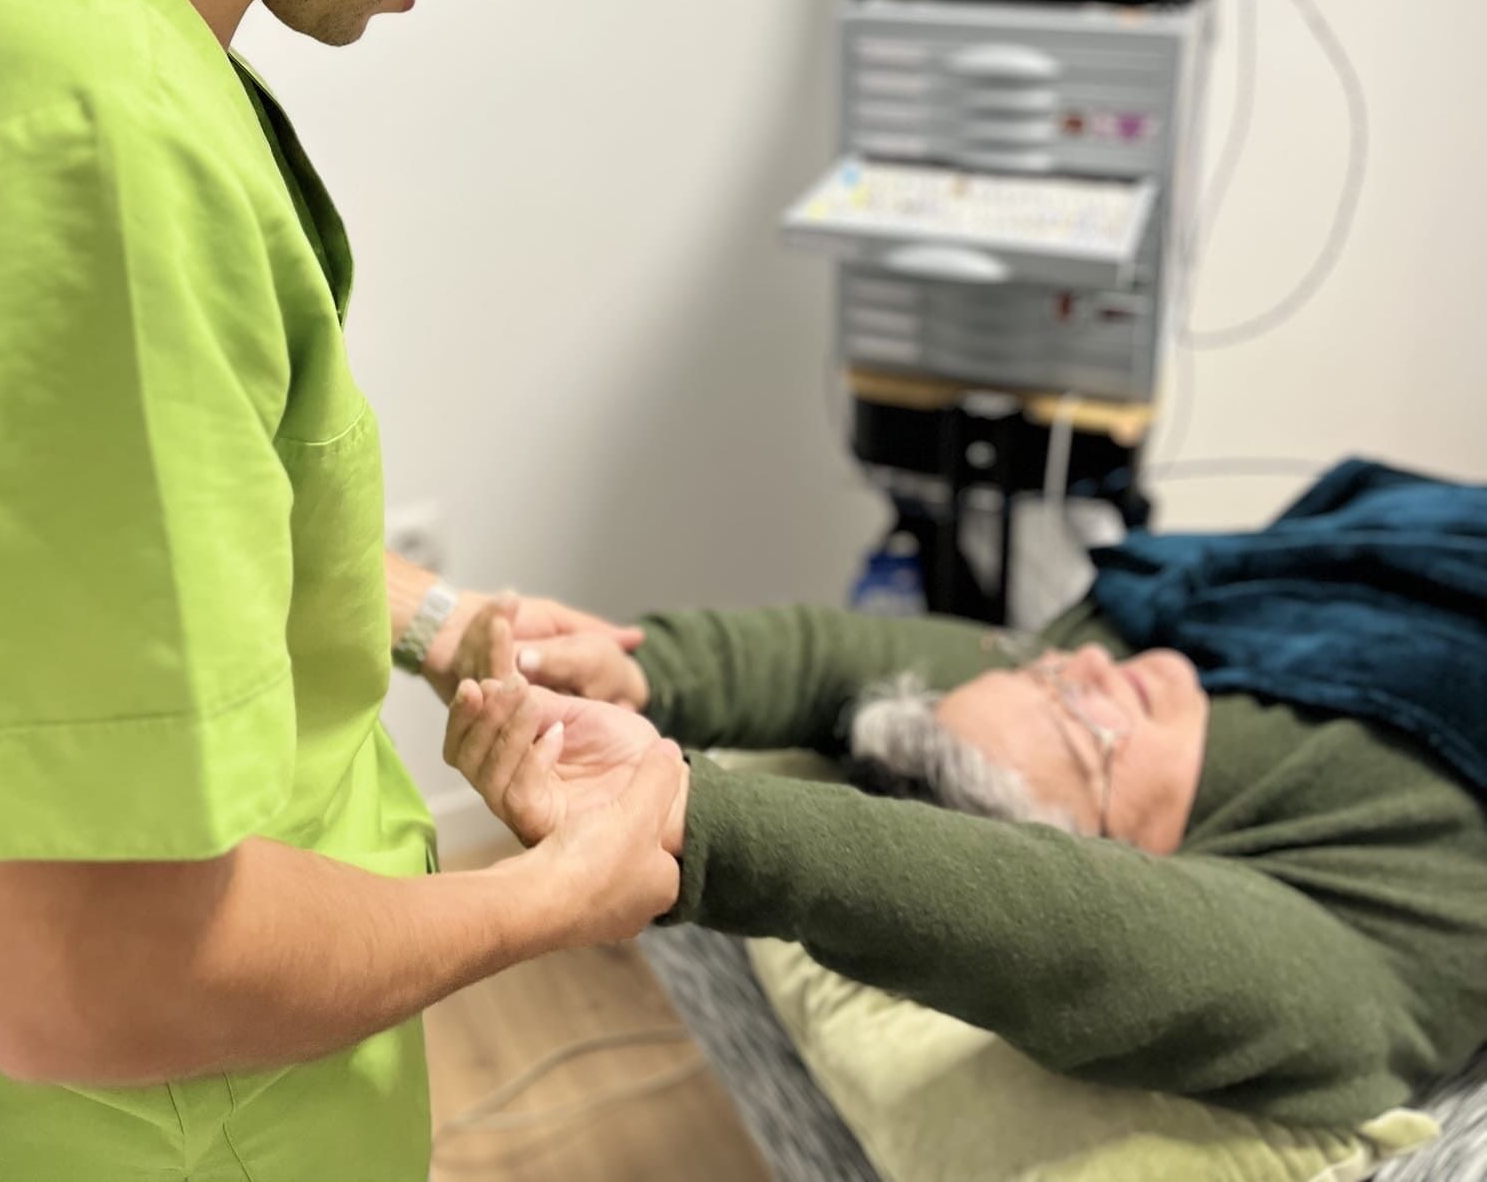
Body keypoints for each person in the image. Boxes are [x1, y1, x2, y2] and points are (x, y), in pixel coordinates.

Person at [0, 0, 683, 1182]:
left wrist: (439, 622)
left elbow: (61, 556)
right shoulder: (111, 144)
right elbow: (89, 979)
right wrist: (554, 897)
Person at [446, 464, 1487, 1132]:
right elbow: (1080, 931)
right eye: (1080, 728)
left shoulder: (1131, 656)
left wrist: (651, 668)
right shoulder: (1356, 943)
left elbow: (851, 654)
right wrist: (687, 820)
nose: (1081, 667)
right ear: (1114, 852)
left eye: (1049, 674)